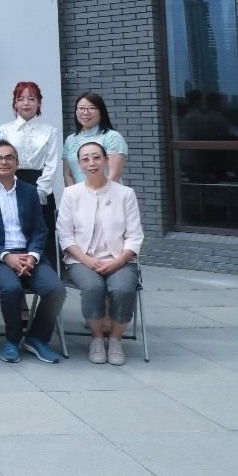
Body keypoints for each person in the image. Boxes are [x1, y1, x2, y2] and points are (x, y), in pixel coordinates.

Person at [0, 139, 66, 364]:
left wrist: (33, 255)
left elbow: (40, 229)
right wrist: (6, 256)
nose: (4, 162)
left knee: (56, 289)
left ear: (17, 163)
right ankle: (12, 340)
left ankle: (37, 338)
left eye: (9, 157)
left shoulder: (29, 191)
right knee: (11, 288)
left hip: (28, 255)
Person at [58, 141, 144, 366]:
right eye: (85, 159)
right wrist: (86, 260)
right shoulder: (71, 194)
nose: (92, 163)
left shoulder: (125, 194)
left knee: (122, 288)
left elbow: (135, 235)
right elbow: (65, 235)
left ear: (106, 160)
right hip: (81, 260)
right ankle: (96, 338)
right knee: (93, 287)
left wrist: (119, 261)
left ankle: (115, 339)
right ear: (79, 164)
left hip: (120, 259)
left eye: (96, 157)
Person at [0, 81, 60, 261]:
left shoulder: (50, 131)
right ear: (15, 103)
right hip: (12, 183)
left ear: (39, 103)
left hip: (41, 185)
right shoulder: (4, 130)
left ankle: (46, 270)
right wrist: (10, 187)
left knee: (43, 231)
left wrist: (40, 192)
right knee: (14, 229)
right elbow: (3, 161)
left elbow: (51, 164)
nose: (26, 103)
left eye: (31, 99)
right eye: (21, 99)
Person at [63, 91, 129, 184]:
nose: (85, 112)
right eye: (81, 108)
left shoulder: (112, 137)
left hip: (107, 192)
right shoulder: (70, 140)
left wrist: (97, 193)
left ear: (101, 112)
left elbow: (114, 176)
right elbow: (67, 175)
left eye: (92, 108)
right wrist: (73, 192)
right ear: (76, 112)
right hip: (77, 192)